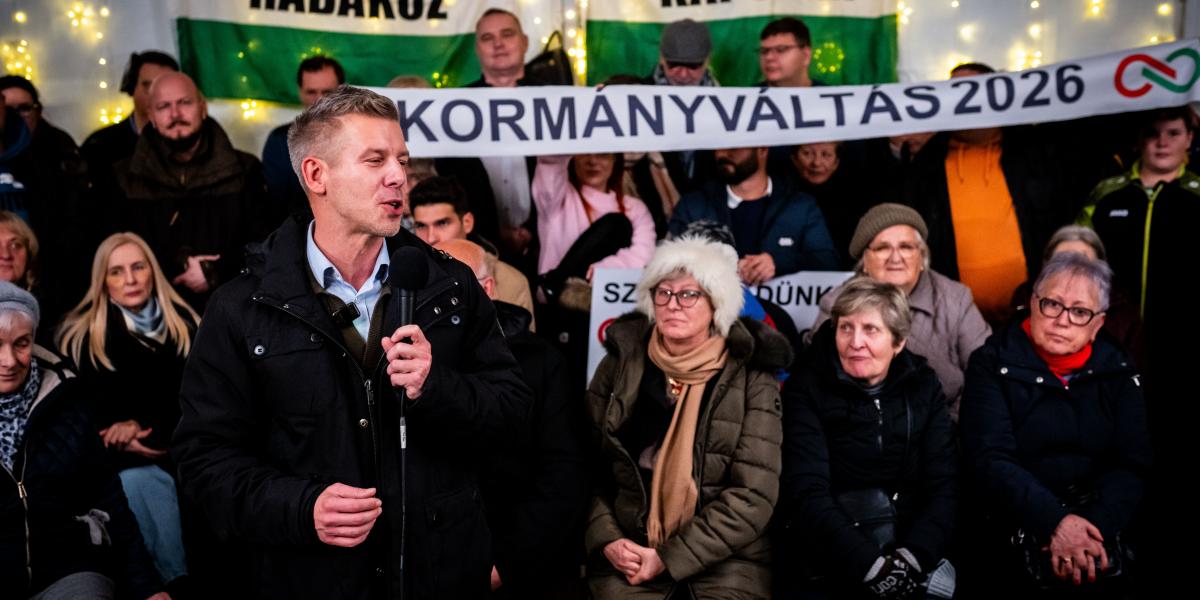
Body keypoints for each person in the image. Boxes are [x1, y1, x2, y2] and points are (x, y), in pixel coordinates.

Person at [171, 85, 531, 599]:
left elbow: (514, 414)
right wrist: (302, 508)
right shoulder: (241, 307)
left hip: (439, 576)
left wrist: (437, 387)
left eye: (401, 160)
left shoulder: (450, 285)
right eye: (375, 160)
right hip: (310, 580)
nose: (398, 176)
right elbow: (203, 460)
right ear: (316, 175)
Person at [585, 235, 789, 599]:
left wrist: (669, 558)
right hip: (630, 549)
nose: (673, 305)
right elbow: (585, 467)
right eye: (663, 292)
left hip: (728, 559)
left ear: (717, 304)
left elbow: (753, 495)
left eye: (689, 294)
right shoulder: (620, 363)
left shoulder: (752, 376)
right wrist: (607, 539)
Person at [959, 253, 1151, 597]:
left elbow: (1133, 463)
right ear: (1033, 303)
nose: (1063, 321)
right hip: (1014, 526)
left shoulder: (1120, 370)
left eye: (1079, 311)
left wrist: (1090, 529)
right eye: (1052, 304)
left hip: (1099, 530)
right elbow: (990, 458)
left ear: (1098, 323)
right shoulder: (989, 363)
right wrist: (1055, 522)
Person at [779, 277, 957, 600]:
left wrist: (913, 557)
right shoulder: (806, 388)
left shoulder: (923, 385)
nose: (855, 342)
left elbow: (944, 484)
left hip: (909, 547)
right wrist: (871, 567)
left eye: (871, 330)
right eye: (845, 328)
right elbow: (806, 491)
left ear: (898, 342)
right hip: (829, 555)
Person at [435, 238, 586, 599]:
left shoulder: (542, 362)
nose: (438, 299)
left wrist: (506, 563)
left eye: (450, 286)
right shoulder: (403, 360)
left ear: (487, 289)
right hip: (432, 562)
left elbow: (563, 475)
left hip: (519, 564)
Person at [0, 282, 169, 600]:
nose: (9, 360)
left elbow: (109, 499)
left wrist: (149, 588)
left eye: (21, 343)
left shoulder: (65, 399)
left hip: (67, 569)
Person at [56, 232, 200, 588]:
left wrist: (142, 427)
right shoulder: (80, 337)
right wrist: (118, 435)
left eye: (138, 267)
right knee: (142, 482)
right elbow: (80, 420)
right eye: (117, 271)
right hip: (119, 464)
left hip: (187, 451)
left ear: (153, 271)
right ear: (102, 281)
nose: (131, 279)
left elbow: (203, 403)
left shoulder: (190, 323)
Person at [902, 63, 1093, 326]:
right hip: (953, 320)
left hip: (1034, 315)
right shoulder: (927, 161)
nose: (964, 100)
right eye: (954, 92)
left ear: (997, 96)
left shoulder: (1035, 150)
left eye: (973, 90)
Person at [112, 72, 277, 308]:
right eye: (164, 106)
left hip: (232, 306)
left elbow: (266, 244)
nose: (175, 114)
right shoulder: (123, 177)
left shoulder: (245, 170)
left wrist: (215, 270)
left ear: (202, 107)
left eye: (184, 102)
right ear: (151, 116)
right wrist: (175, 267)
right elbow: (113, 250)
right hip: (152, 309)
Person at [810, 204, 990, 420]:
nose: (895, 258)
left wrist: (947, 424)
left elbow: (986, 372)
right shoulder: (837, 304)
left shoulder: (956, 299)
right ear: (865, 260)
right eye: (882, 248)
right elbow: (818, 379)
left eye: (906, 247)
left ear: (921, 257)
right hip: (859, 425)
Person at [669, 146, 838, 284]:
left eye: (735, 146)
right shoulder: (693, 205)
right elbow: (669, 260)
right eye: (719, 146)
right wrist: (722, 265)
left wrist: (777, 262)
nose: (723, 153)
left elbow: (827, 261)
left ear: (762, 149)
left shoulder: (800, 205)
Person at [410, 176, 535, 327]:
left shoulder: (510, 281)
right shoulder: (402, 277)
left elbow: (521, 340)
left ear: (467, 223)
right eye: (421, 226)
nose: (431, 238)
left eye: (442, 223)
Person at [533, 152, 656, 305]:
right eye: (584, 153)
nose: (592, 161)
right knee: (617, 222)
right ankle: (555, 284)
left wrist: (603, 270)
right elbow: (550, 163)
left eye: (603, 155)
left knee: (618, 223)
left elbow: (642, 255)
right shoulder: (557, 199)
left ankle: (555, 282)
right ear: (573, 158)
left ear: (615, 160)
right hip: (559, 303)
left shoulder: (635, 208)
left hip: (612, 300)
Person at [262, 56, 346, 221]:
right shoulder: (279, 141)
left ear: (342, 92)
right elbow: (276, 205)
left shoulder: (360, 137)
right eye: (311, 92)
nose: (319, 99)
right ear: (301, 92)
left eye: (327, 92)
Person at [80, 51, 179, 178]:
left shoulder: (195, 142)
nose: (157, 94)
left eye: (165, 86)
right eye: (147, 86)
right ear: (132, 87)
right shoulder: (99, 146)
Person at [791, 141, 873, 268]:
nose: (816, 163)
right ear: (794, 159)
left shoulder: (856, 197)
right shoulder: (778, 196)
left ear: (836, 162)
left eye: (826, 155)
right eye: (807, 154)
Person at [758, 17, 815, 88]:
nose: (769, 57)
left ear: (806, 55)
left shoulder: (827, 93)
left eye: (781, 50)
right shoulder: (748, 93)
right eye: (764, 51)